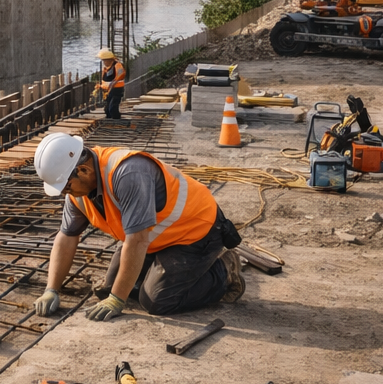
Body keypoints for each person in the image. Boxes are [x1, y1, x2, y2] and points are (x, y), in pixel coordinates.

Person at [31, 132, 243, 322]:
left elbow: (137, 240)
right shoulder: (78, 194)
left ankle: (225, 270)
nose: (65, 193)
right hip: (157, 237)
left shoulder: (128, 173)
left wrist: (116, 300)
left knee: (157, 301)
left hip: (196, 231)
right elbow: (67, 237)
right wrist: (52, 289)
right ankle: (164, 271)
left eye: (66, 186)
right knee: (114, 287)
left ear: (83, 170)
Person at [97, 48, 126, 119]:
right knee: (107, 109)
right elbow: (104, 80)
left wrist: (113, 83)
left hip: (116, 89)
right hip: (108, 90)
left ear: (110, 59)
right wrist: (101, 86)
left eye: (105, 60)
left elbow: (120, 74)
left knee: (113, 107)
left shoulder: (117, 65)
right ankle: (109, 119)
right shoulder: (106, 68)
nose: (104, 62)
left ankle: (116, 120)